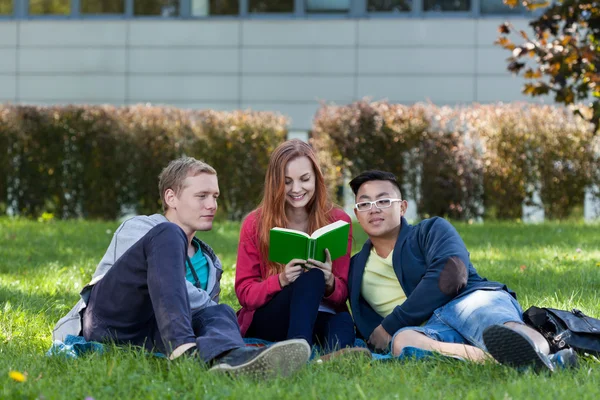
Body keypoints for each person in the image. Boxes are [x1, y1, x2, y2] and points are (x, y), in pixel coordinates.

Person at [52, 156, 310, 379]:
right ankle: (184, 350)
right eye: (202, 196)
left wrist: (218, 316)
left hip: (153, 337)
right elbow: (164, 286)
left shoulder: (210, 263)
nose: (212, 205)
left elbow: (204, 314)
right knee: (171, 236)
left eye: (215, 197)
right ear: (171, 197)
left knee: (221, 312)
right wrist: (208, 309)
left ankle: (233, 358)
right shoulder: (141, 229)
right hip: (112, 321)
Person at [347, 170, 577, 372]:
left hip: (466, 301)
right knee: (403, 341)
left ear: (403, 207)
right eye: (364, 203)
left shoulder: (430, 230)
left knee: (495, 321)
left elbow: (452, 275)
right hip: (428, 329)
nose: (374, 209)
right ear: (357, 215)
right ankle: (509, 363)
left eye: (384, 200)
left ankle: (543, 354)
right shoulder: (355, 267)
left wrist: (390, 324)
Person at [235, 139, 368, 360]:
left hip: (319, 314)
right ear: (275, 183)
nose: (296, 189)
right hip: (273, 316)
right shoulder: (255, 223)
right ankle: (299, 350)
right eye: (286, 182)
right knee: (311, 276)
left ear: (316, 178)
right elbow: (245, 293)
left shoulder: (338, 220)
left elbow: (341, 293)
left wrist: (330, 282)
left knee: (343, 322)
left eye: (305, 179)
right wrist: (282, 280)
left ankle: (327, 358)